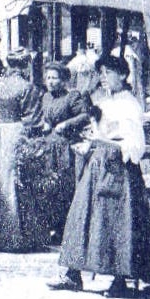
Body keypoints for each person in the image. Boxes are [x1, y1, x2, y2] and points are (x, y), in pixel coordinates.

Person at [52, 53, 150, 297]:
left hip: (119, 168)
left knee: (116, 221)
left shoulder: (129, 104)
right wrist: (90, 143)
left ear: (122, 75)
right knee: (83, 214)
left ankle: (120, 279)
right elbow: (99, 131)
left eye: (108, 73)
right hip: (98, 163)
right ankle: (72, 274)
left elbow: (135, 145)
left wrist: (104, 141)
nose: (103, 78)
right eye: (101, 73)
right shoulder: (105, 101)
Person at [0, 48, 46, 253]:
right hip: (16, 132)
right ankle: (15, 237)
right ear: (26, 65)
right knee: (15, 181)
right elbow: (33, 119)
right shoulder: (27, 87)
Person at [38, 54, 97, 240]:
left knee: (64, 187)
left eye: (54, 78)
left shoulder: (72, 96)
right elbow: (46, 116)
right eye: (48, 78)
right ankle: (51, 227)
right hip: (48, 147)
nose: (50, 82)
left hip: (65, 149)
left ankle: (66, 229)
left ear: (63, 80)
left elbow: (85, 116)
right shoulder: (46, 97)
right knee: (48, 187)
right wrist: (45, 123)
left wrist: (66, 124)